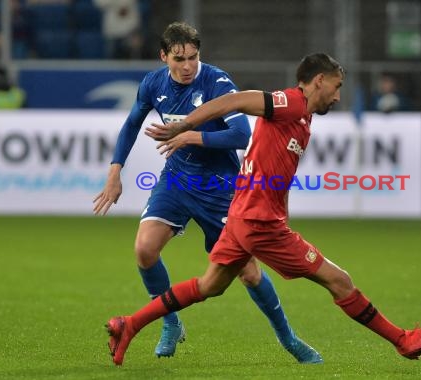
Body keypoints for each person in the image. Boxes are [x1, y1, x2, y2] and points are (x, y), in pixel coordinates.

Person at [105, 53, 421, 366]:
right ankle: (402, 340)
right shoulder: (289, 103)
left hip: (242, 218)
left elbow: (279, 171)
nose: (338, 97)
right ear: (319, 80)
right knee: (339, 281)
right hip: (258, 223)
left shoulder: (304, 118)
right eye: (337, 87)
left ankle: (129, 324)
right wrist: (183, 126)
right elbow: (233, 101)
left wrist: (283, 211)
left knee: (210, 286)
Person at [92, 22, 321, 364]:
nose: (187, 66)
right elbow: (131, 124)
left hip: (220, 186)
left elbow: (241, 135)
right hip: (178, 180)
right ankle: (171, 323)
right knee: (144, 249)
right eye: (179, 59)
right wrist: (114, 173)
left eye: (193, 57)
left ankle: (289, 339)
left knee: (249, 272)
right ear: (163, 56)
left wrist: (189, 136)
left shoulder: (216, 82)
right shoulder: (153, 83)